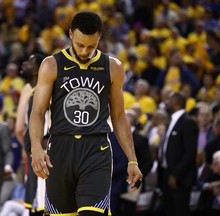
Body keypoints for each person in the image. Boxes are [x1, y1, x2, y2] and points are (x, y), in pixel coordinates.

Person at [29, 11, 143, 216]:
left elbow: (118, 116)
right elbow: (38, 112)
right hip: (60, 150)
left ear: (99, 38)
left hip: (96, 150)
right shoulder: (51, 65)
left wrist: (132, 160)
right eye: (80, 45)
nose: (85, 51)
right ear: (71, 34)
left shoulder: (113, 67)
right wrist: (36, 148)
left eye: (91, 46)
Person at [158, 92, 199, 216]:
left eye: (169, 100)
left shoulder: (187, 122)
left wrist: (175, 175)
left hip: (179, 178)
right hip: (166, 173)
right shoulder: (171, 121)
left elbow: (190, 153)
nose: (166, 102)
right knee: (168, 210)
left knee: (180, 211)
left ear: (176, 103)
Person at [20, 54, 47, 215]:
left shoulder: (45, 94)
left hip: (44, 158)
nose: (24, 64)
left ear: (37, 70)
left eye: (29, 62)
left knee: (42, 208)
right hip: (34, 157)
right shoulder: (34, 93)